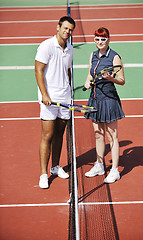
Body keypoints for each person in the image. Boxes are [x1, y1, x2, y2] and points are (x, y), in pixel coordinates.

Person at [35, 16, 76, 189]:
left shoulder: (71, 49)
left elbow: (68, 71)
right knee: (47, 135)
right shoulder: (46, 46)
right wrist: (44, 94)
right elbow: (38, 69)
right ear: (58, 27)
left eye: (70, 30)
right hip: (49, 99)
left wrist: (69, 91)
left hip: (64, 98)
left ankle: (56, 166)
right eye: (65, 28)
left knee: (60, 134)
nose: (67, 32)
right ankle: (43, 174)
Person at [84, 27, 125, 183]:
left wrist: (110, 78)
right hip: (95, 98)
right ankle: (99, 164)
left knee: (112, 135)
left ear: (108, 40)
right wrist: (88, 81)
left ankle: (114, 170)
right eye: (97, 39)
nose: (99, 42)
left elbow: (122, 80)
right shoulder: (93, 55)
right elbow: (90, 73)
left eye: (103, 39)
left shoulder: (114, 57)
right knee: (98, 134)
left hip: (109, 100)